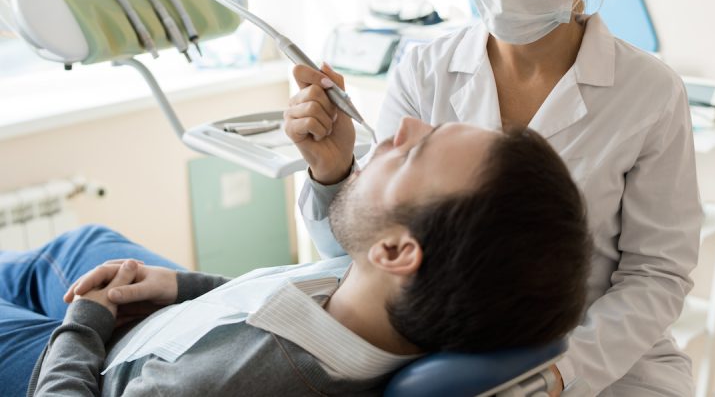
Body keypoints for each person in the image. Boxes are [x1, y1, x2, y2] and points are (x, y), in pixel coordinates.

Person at [284, 0, 704, 395]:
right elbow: (362, 251)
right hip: (439, 357)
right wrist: (332, 170)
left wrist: (557, 376)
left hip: (603, 364)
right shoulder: (425, 68)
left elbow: (657, 274)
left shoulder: (649, 93)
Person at [1, 118, 590, 397]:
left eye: (412, 155)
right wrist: (180, 287)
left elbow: (251, 348)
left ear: (394, 250)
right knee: (79, 242)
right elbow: (268, 306)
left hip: (94, 366)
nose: (399, 128)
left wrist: (86, 326)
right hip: (172, 324)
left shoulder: (222, 386)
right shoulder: (373, 296)